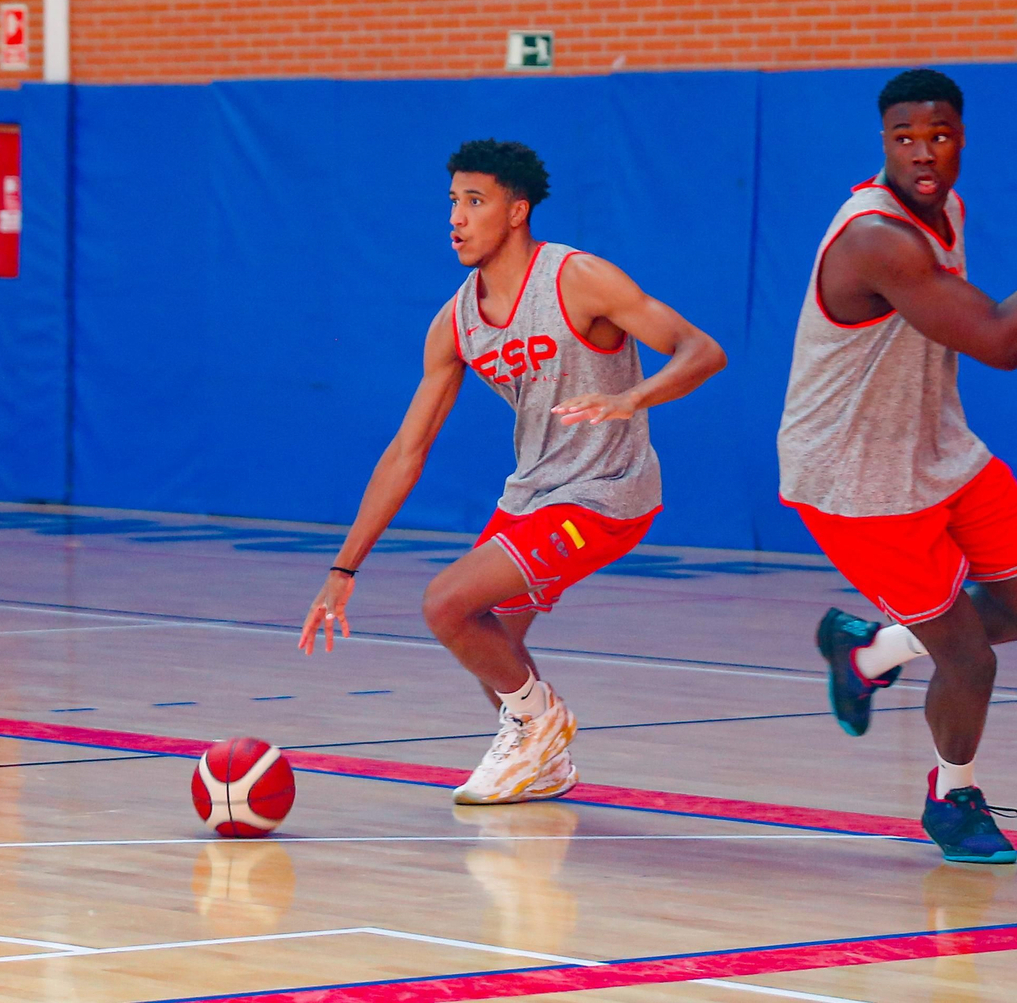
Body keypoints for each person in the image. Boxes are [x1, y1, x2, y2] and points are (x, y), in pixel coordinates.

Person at [300, 139, 726, 805]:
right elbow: (407, 449)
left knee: (446, 602)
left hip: (607, 494)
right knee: (490, 645)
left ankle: (540, 721)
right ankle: (546, 760)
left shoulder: (578, 278)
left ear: (517, 210)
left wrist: (630, 397)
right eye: (452, 202)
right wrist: (343, 567)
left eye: (475, 201)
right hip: (534, 493)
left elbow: (704, 350)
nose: (457, 218)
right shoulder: (456, 322)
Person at [777, 69, 1017, 863]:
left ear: (962, 139)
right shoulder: (877, 238)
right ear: (882, 142)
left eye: (939, 136)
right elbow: (1001, 341)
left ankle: (870, 652)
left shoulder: (946, 209)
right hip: (856, 478)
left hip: (937, 447)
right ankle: (952, 796)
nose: (923, 153)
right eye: (905, 138)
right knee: (969, 655)